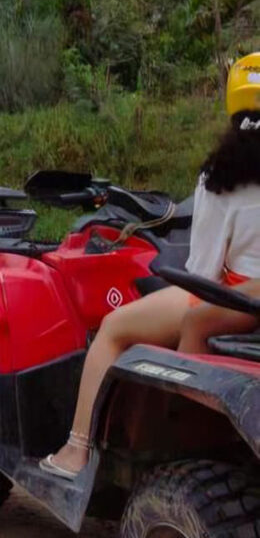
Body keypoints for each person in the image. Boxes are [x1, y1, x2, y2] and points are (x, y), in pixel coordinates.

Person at [40, 52, 260, 479]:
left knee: (114, 328)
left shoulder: (222, 175)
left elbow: (203, 272)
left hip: (236, 302)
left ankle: (78, 449)